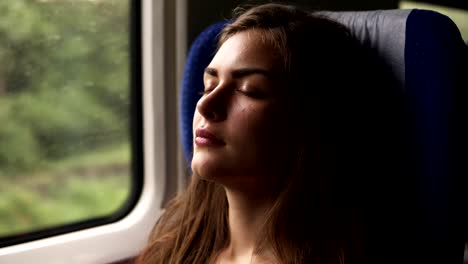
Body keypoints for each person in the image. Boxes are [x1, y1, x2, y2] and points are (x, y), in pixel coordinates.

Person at [136, 2, 402, 264]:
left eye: (249, 90)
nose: (206, 105)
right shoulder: (174, 248)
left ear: (309, 122)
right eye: (208, 86)